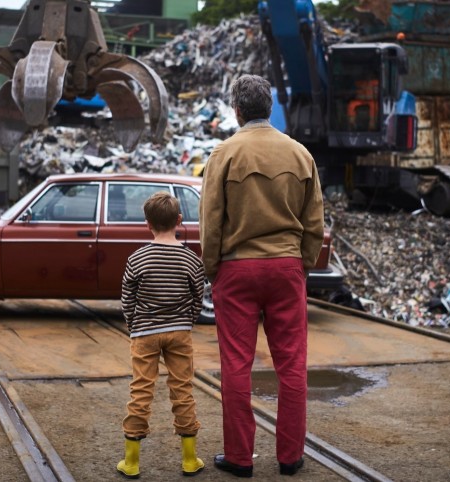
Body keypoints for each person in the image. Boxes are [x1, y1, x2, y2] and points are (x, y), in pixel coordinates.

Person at [199, 74, 325, 478]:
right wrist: (300, 264)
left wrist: (213, 268)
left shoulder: (224, 153)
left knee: (236, 364)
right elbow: (315, 222)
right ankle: (290, 457)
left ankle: (239, 458)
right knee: (292, 365)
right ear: (269, 108)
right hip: (286, 267)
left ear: (236, 110)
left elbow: (211, 221)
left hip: (237, 269)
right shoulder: (300, 154)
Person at [117, 191, 207, 479]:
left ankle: (131, 462)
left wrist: (133, 324)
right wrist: (187, 321)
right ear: (179, 221)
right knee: (183, 390)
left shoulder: (138, 258)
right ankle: (189, 459)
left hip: (144, 332)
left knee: (141, 389)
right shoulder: (191, 258)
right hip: (179, 332)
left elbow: (126, 297)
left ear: (148, 224)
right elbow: (198, 295)